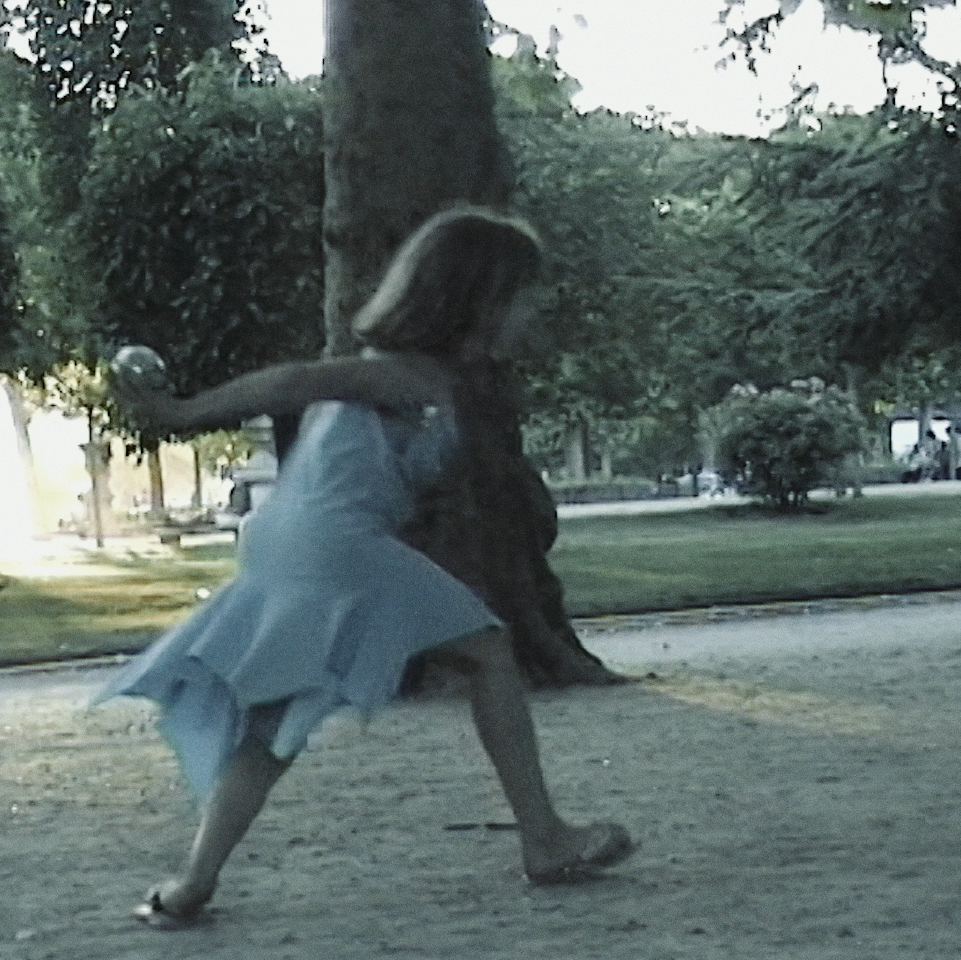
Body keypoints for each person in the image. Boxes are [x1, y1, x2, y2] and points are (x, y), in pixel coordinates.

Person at [97, 208, 633, 930]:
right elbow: (292, 382)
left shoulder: (421, 378)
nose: (531, 314)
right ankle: (544, 838)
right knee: (488, 651)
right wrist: (181, 411)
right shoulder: (403, 375)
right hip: (331, 544)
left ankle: (192, 883)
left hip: (293, 542)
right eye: (520, 298)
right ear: (476, 300)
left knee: (277, 716)